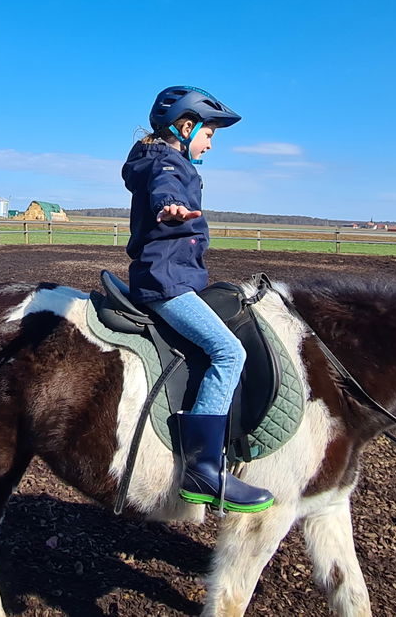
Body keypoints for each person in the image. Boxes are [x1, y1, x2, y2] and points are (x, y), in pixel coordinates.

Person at [122, 85, 275, 513]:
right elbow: (165, 188)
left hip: (174, 277)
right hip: (167, 283)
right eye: (208, 133)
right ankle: (203, 469)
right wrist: (171, 206)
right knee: (228, 352)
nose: (210, 142)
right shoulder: (167, 163)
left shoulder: (164, 160)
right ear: (185, 127)